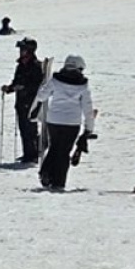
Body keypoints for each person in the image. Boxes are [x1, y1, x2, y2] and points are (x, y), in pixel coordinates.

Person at [30, 54, 97, 191]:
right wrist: (89, 128)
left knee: (54, 147)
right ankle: (58, 181)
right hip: (72, 123)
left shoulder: (55, 80)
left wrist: (34, 109)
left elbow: (42, 95)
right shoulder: (83, 86)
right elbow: (87, 109)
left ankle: (46, 172)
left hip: (53, 120)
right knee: (64, 151)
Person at [2, 38, 45, 164]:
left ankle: (34, 154)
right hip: (20, 103)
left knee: (31, 129)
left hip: (32, 103)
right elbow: (16, 82)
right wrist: (9, 88)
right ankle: (27, 153)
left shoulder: (36, 66)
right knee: (23, 128)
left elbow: (37, 85)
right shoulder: (20, 66)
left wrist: (24, 88)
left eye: (24, 49)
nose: (21, 52)